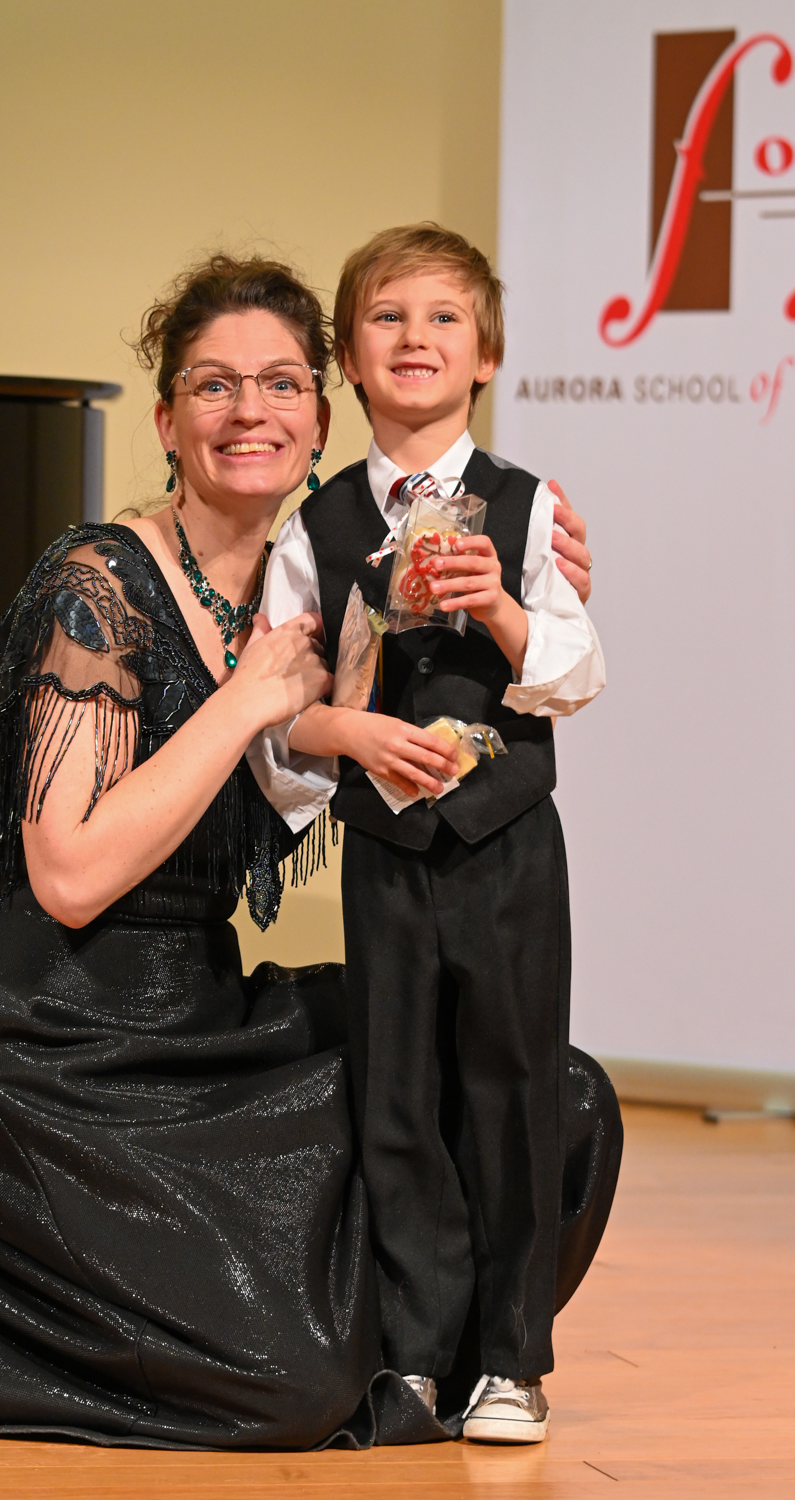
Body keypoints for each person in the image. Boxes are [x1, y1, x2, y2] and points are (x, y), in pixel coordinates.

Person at [0, 250, 617, 1453]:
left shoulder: (325, 590)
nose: (249, 411)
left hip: (202, 1015)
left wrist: (529, 576)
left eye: (281, 383)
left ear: (322, 418)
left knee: (554, 1094)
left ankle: (453, 1360)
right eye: (214, 385)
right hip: (53, 1045)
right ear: (168, 418)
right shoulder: (99, 586)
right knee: (288, 1385)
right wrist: (242, 703)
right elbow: (68, 874)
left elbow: (471, 695)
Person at [252, 224, 607, 1443]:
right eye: (388, 318)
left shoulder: (532, 507)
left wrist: (500, 609)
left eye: (444, 317)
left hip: (509, 847)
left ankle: (510, 1360)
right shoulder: (315, 527)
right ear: (349, 359)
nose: (416, 338)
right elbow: (281, 707)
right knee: (395, 1094)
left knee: (511, 1088)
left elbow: (577, 673)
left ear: (486, 354)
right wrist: (344, 737)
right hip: (389, 856)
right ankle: (410, 1356)